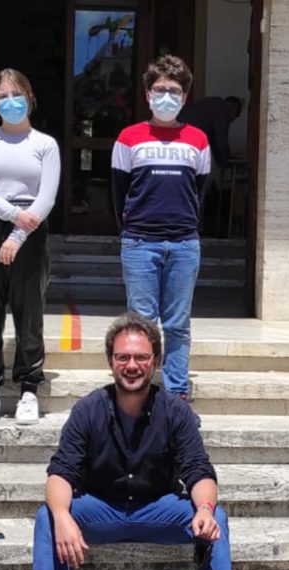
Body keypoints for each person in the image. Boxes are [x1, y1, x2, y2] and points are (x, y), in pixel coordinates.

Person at [31, 312, 236, 570]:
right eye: (122, 357)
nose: (131, 366)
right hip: (101, 509)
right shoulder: (88, 410)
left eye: (141, 357)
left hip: (158, 509)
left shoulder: (175, 412)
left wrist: (204, 508)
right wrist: (63, 516)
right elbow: (61, 472)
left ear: (155, 361)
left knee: (216, 517)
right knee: (47, 517)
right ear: (110, 361)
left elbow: (198, 469)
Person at [111, 55, 210, 411]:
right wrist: (130, 231)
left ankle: (176, 397)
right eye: (159, 89)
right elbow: (119, 191)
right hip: (140, 243)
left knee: (178, 324)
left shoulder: (198, 140)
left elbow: (200, 190)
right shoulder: (128, 138)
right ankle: (138, 393)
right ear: (147, 94)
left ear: (184, 97)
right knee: (141, 323)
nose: (166, 96)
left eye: (174, 90)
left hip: (183, 243)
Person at [0, 68, 61, 425]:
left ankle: (29, 388)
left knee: (29, 313)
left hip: (31, 229)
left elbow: (46, 197)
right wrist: (11, 216)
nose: (10, 101)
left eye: (17, 94)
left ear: (30, 98)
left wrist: (19, 234)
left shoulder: (45, 144)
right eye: (2, 96)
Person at [180, 95, 242, 168]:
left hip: (180, 128)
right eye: (235, 116)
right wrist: (227, 160)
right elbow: (221, 139)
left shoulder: (214, 105)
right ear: (234, 109)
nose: (232, 120)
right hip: (186, 132)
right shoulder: (222, 110)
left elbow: (214, 140)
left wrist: (222, 160)